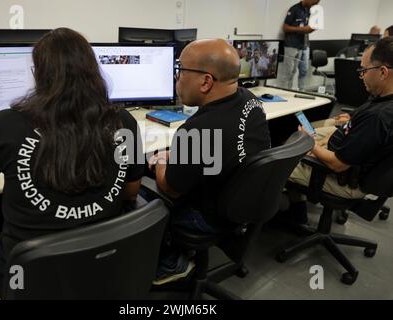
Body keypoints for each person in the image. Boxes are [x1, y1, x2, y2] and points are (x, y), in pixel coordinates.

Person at [0, 28, 144, 299]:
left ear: (37, 73)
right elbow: (131, 192)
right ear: (93, 71)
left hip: (26, 284)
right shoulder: (125, 123)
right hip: (99, 270)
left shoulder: (3, 125)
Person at [147, 39, 271, 284]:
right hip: (241, 205)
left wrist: (161, 159)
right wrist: (181, 153)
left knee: (141, 188)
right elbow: (225, 146)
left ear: (205, 81)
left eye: (180, 71)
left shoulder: (198, 130)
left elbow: (169, 187)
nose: (177, 78)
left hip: (206, 218)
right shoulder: (250, 101)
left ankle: (171, 262)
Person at [286, 37, 393, 223]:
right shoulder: (383, 100)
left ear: (383, 72)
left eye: (364, 70)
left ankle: (295, 216)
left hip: (344, 179)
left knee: (277, 164)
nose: (361, 76)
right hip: (353, 162)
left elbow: (338, 164)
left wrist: (310, 144)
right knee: (309, 134)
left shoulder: (378, 117)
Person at [281, 0, 321, 90]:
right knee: (289, 72)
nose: (315, 5)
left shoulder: (308, 11)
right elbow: (285, 27)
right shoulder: (294, 9)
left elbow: (308, 27)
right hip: (291, 45)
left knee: (302, 70)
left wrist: (312, 27)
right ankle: (285, 92)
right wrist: (302, 29)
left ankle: (301, 91)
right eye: (314, 2)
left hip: (303, 45)